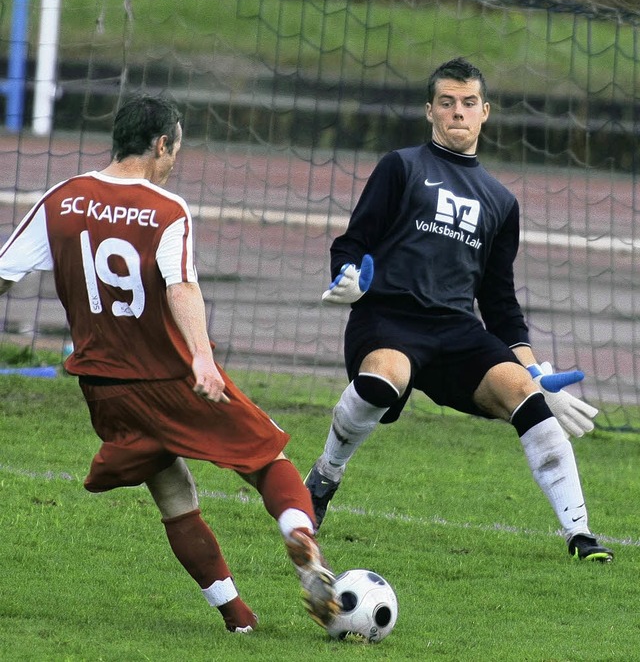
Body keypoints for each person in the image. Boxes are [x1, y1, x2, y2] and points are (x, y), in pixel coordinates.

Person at [0, 94, 339, 633]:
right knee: (267, 458)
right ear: (161, 144)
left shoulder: (62, 199)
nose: (175, 158)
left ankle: (239, 619)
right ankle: (301, 536)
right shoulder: (167, 209)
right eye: (176, 147)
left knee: (173, 491)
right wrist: (204, 360)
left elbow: (3, 273)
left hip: (103, 390)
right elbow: (181, 284)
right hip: (171, 376)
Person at [305, 57, 613, 562]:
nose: (457, 112)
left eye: (468, 103)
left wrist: (532, 369)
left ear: (485, 112)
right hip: (388, 318)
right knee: (386, 376)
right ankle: (325, 476)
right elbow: (352, 241)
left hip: (455, 329)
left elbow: (498, 301)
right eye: (446, 102)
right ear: (430, 110)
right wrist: (348, 278)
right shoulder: (401, 166)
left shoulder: (500, 201)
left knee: (525, 396)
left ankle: (581, 535)